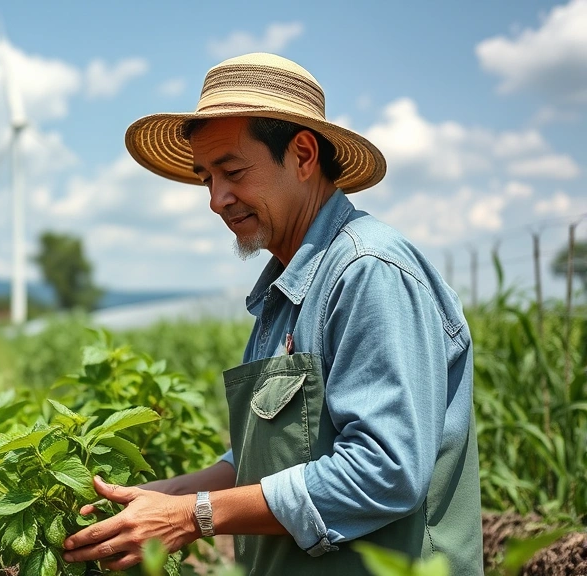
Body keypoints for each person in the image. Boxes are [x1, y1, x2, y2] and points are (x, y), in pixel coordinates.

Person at [62, 53, 483, 575]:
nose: (216, 199)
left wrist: (192, 516)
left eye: (232, 171)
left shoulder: (368, 271)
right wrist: (168, 495)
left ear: (303, 155)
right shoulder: (284, 295)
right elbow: (275, 456)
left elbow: (385, 471)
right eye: (206, 178)